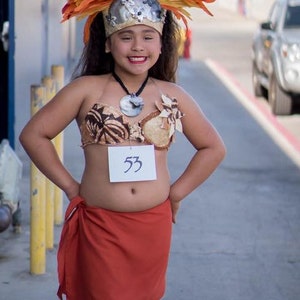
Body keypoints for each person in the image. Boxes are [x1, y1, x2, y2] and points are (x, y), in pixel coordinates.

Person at [19, 0, 226, 299]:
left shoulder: (172, 95)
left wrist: (177, 193)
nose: (137, 46)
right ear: (107, 44)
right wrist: (70, 187)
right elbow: (34, 135)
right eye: (126, 37)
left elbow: (213, 147)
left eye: (148, 36)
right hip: (100, 224)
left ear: (162, 43)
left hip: (152, 226)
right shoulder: (85, 90)